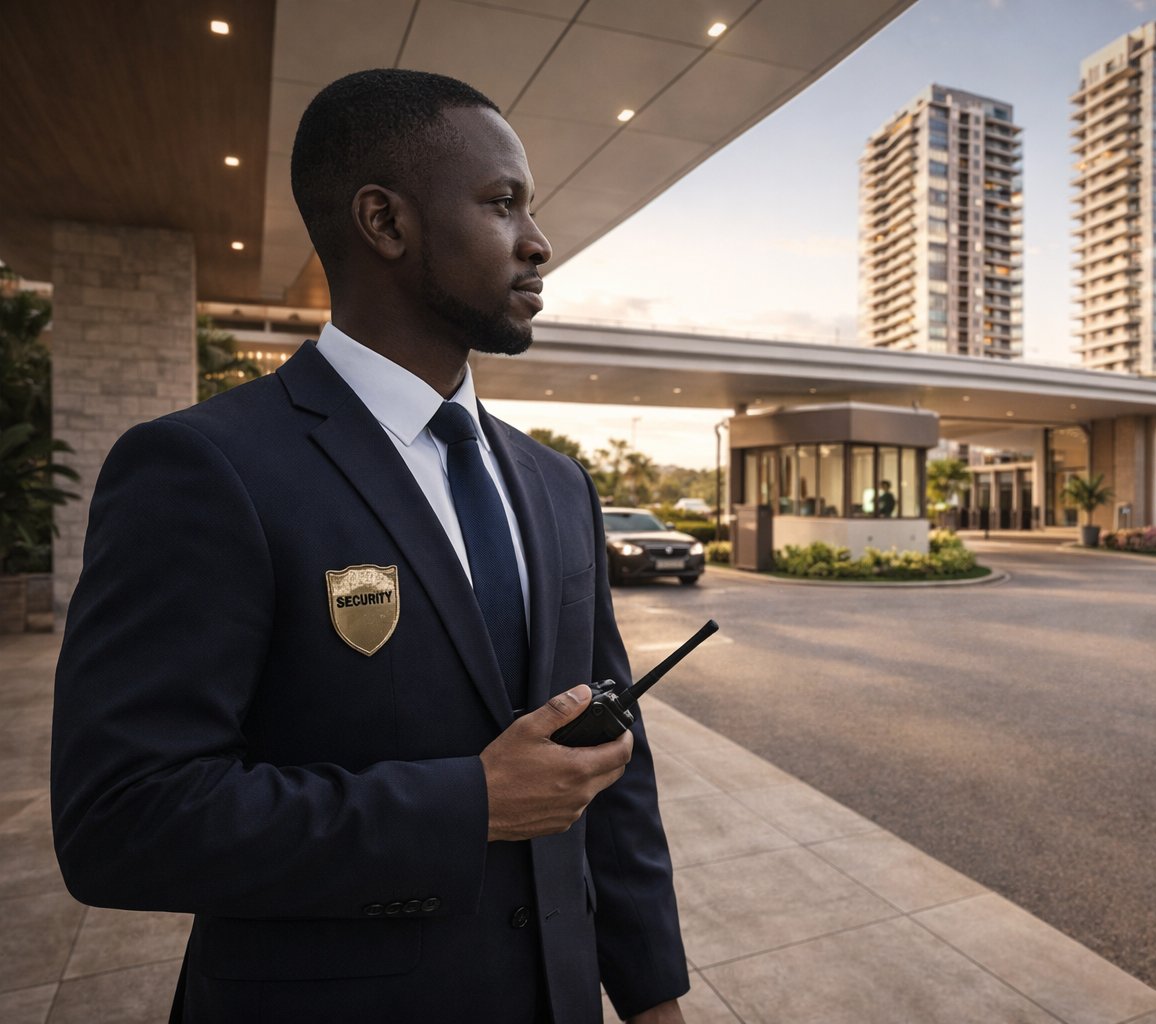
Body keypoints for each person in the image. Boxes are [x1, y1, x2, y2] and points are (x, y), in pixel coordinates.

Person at [50, 69, 687, 1024]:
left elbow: (607, 765)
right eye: (502, 203)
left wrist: (652, 997)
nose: (538, 241)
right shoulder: (202, 468)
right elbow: (122, 820)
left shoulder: (557, 485)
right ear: (385, 224)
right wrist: (467, 804)